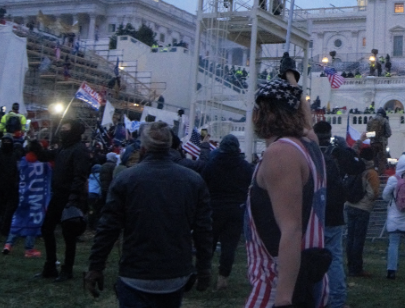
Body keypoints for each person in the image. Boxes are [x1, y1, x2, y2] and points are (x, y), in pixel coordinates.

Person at [84, 122, 213, 307]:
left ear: (143, 147)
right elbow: (203, 230)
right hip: (174, 274)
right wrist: (204, 269)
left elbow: (108, 228)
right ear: (171, 145)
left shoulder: (125, 179)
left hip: (136, 273)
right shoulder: (193, 180)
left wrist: (96, 266)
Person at [245, 77, 331, 308]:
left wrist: (283, 300)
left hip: (277, 284)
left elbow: (291, 230)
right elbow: (308, 124)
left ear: (263, 113)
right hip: (310, 279)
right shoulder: (309, 145)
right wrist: (293, 81)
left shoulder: (281, 153)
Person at [30, 119, 89, 281]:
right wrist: (34, 141)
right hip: (58, 196)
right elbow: (44, 156)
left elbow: (79, 176)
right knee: (47, 229)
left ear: (74, 130)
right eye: (61, 128)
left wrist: (73, 199)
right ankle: (50, 267)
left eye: (65, 128)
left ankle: (67, 270)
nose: (62, 130)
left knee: (69, 236)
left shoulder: (79, 150)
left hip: (70, 197)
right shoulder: (63, 148)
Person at [314, 120, 364, 308]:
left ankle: (315, 297)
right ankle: (336, 299)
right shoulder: (338, 152)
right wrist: (347, 149)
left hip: (313, 212)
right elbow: (358, 167)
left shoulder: (309, 152)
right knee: (333, 257)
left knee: (311, 256)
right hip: (334, 211)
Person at [200, 133, 253, 291]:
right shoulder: (245, 167)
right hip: (236, 209)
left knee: (208, 244)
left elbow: (203, 186)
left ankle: (204, 274)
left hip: (214, 208)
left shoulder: (211, 164)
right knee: (229, 245)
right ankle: (223, 278)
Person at [4, 142, 49, 258]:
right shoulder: (43, 164)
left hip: (23, 195)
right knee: (33, 221)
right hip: (37, 197)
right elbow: (48, 180)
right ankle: (29, 249)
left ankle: (8, 244)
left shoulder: (23, 162)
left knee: (18, 218)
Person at [382, 154, 405, 280]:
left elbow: (385, 196)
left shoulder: (393, 180)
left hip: (395, 215)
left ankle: (391, 270)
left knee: (393, 244)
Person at [345, 146, 380, 278]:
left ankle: (350, 266)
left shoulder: (353, 168)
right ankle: (357, 268)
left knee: (350, 238)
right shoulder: (371, 173)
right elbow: (374, 193)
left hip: (350, 205)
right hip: (362, 208)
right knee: (359, 239)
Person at [0, 134, 19, 240]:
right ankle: (4, 228)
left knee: (8, 208)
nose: (6, 143)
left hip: (11, 185)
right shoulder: (14, 154)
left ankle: (5, 227)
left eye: (8, 141)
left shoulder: (14, 154)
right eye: (5, 141)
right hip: (7, 185)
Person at [367, 108, 392, 173]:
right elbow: (389, 133)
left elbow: (368, 133)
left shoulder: (370, 121)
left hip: (372, 143)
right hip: (381, 143)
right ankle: (381, 174)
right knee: (382, 159)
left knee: (372, 158)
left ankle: (373, 172)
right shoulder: (384, 120)